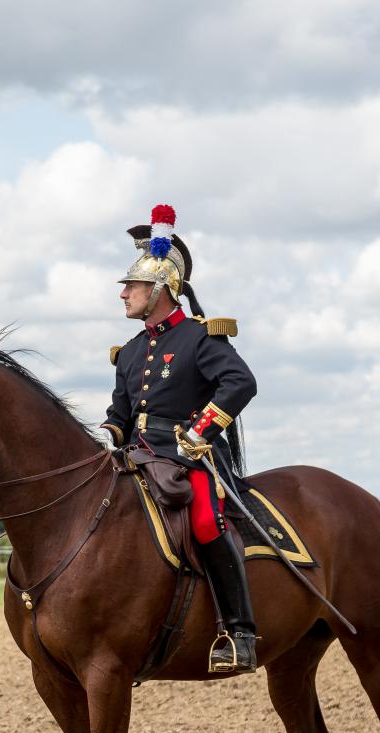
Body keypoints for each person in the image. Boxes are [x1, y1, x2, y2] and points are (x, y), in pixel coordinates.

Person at [100, 205, 258, 672]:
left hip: (193, 457)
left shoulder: (200, 338)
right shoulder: (129, 353)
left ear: (160, 290)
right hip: (138, 458)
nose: (123, 294)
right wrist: (107, 432)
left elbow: (240, 384)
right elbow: (121, 412)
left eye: (131, 286)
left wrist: (201, 431)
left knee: (207, 523)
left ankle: (240, 632)